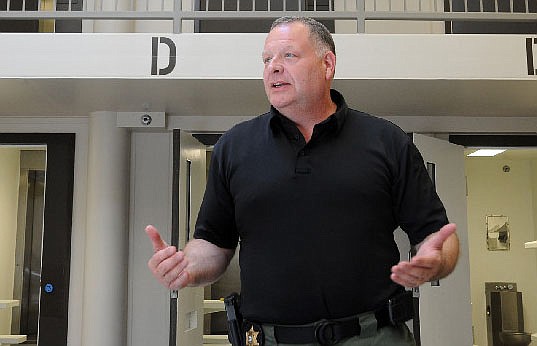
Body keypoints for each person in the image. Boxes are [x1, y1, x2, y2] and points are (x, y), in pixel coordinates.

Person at [146, 16, 459, 346]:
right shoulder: (234, 148)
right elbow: (213, 244)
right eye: (267, 59)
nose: (273, 68)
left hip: (372, 336)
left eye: (288, 56)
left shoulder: (386, 142)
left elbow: (437, 237)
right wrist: (187, 266)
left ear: (327, 64)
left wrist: (437, 260)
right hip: (267, 339)